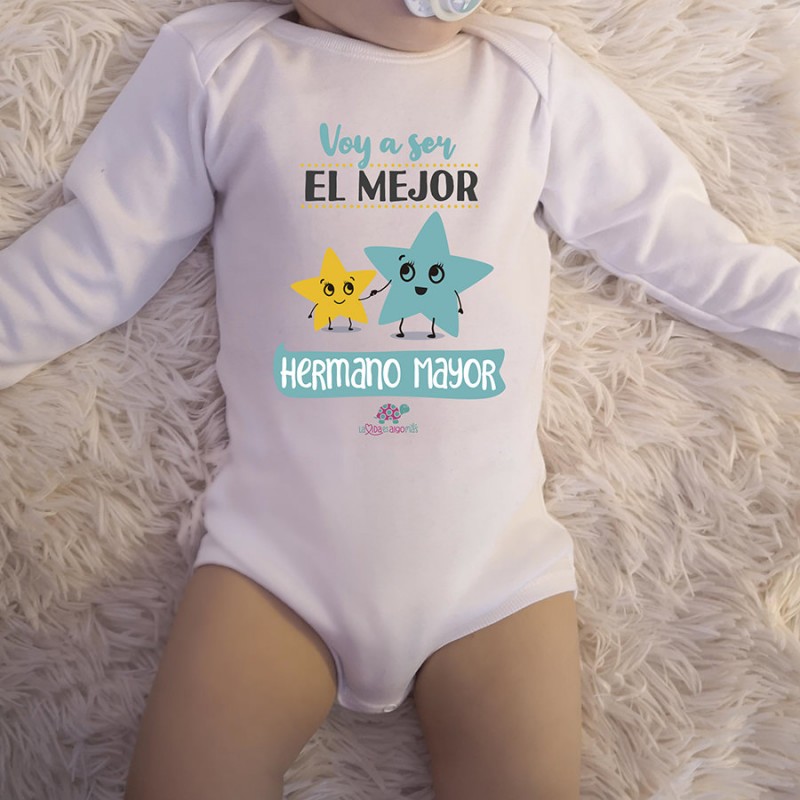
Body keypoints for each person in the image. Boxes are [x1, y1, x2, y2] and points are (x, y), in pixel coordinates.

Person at [0, 1, 797, 798]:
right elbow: (98, 253)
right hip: (274, 568)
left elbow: (677, 239)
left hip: (494, 578)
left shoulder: (528, 79)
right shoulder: (223, 67)